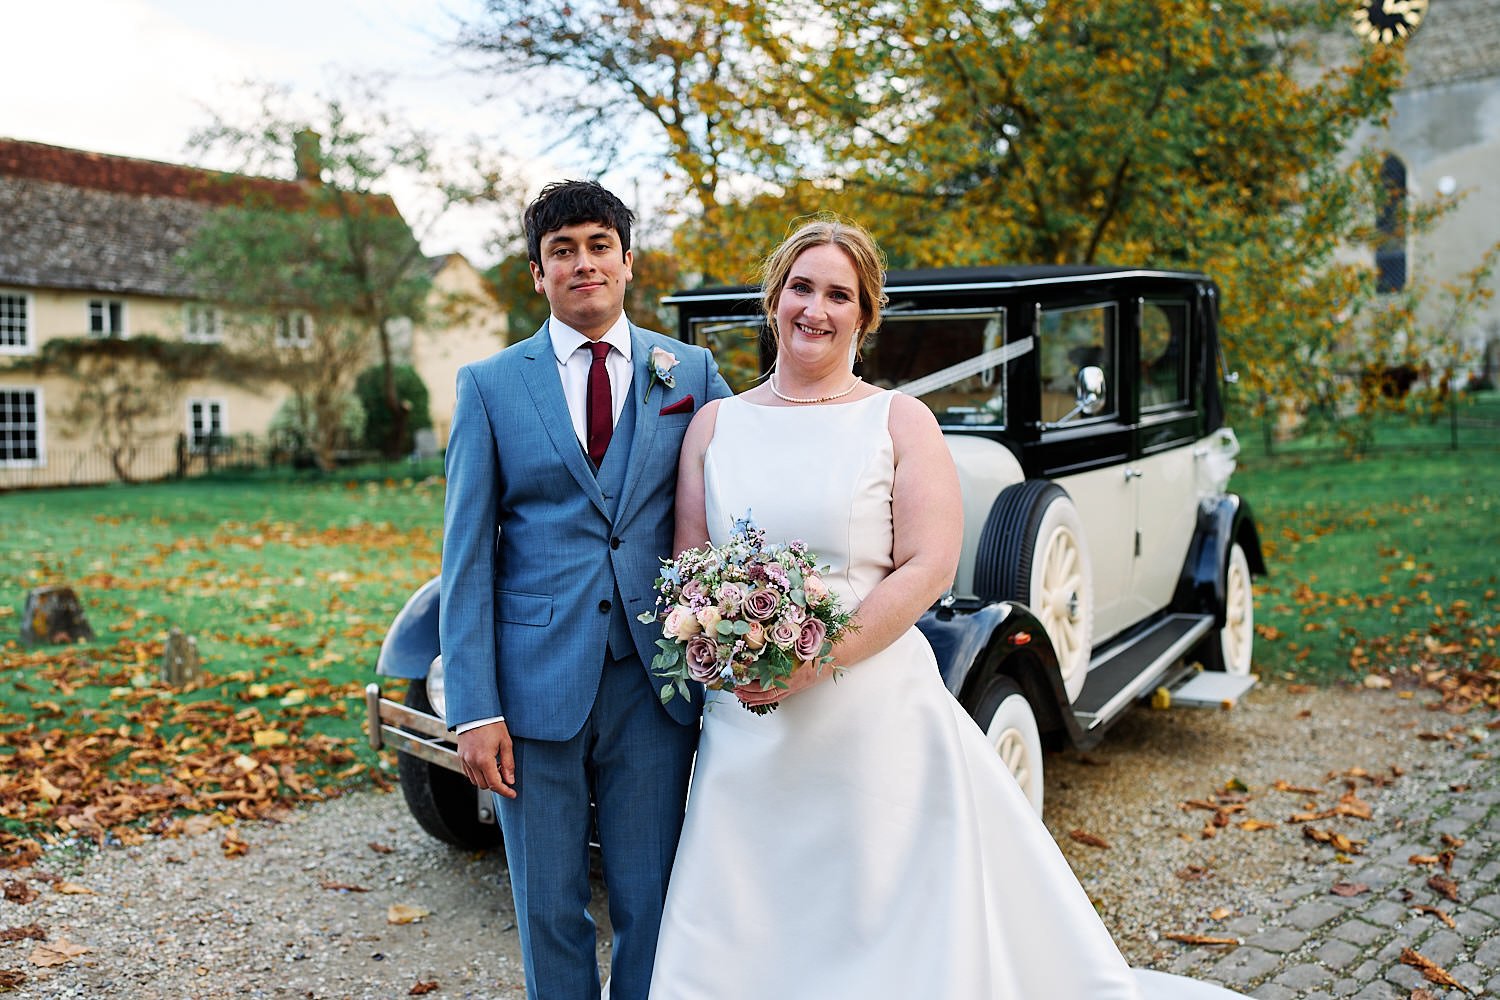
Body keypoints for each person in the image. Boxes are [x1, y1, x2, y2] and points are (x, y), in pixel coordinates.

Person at [648, 218, 1248, 999]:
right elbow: (691, 568)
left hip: (867, 709)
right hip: (747, 721)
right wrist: (728, 657)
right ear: (774, 299)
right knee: (751, 912)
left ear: (865, 315)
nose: (815, 309)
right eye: (801, 288)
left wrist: (816, 660)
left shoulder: (898, 420)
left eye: (839, 295)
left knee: (882, 912)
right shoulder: (715, 425)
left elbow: (927, 566)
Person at [439, 179, 732, 1000]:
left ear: (628, 261)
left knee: (654, 898)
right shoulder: (491, 385)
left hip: (654, 680)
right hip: (532, 689)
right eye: (561, 251)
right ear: (538, 274)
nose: (583, 264)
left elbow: (739, 493)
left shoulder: (691, 371)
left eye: (599, 245)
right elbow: (466, 555)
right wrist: (474, 707)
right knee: (548, 906)